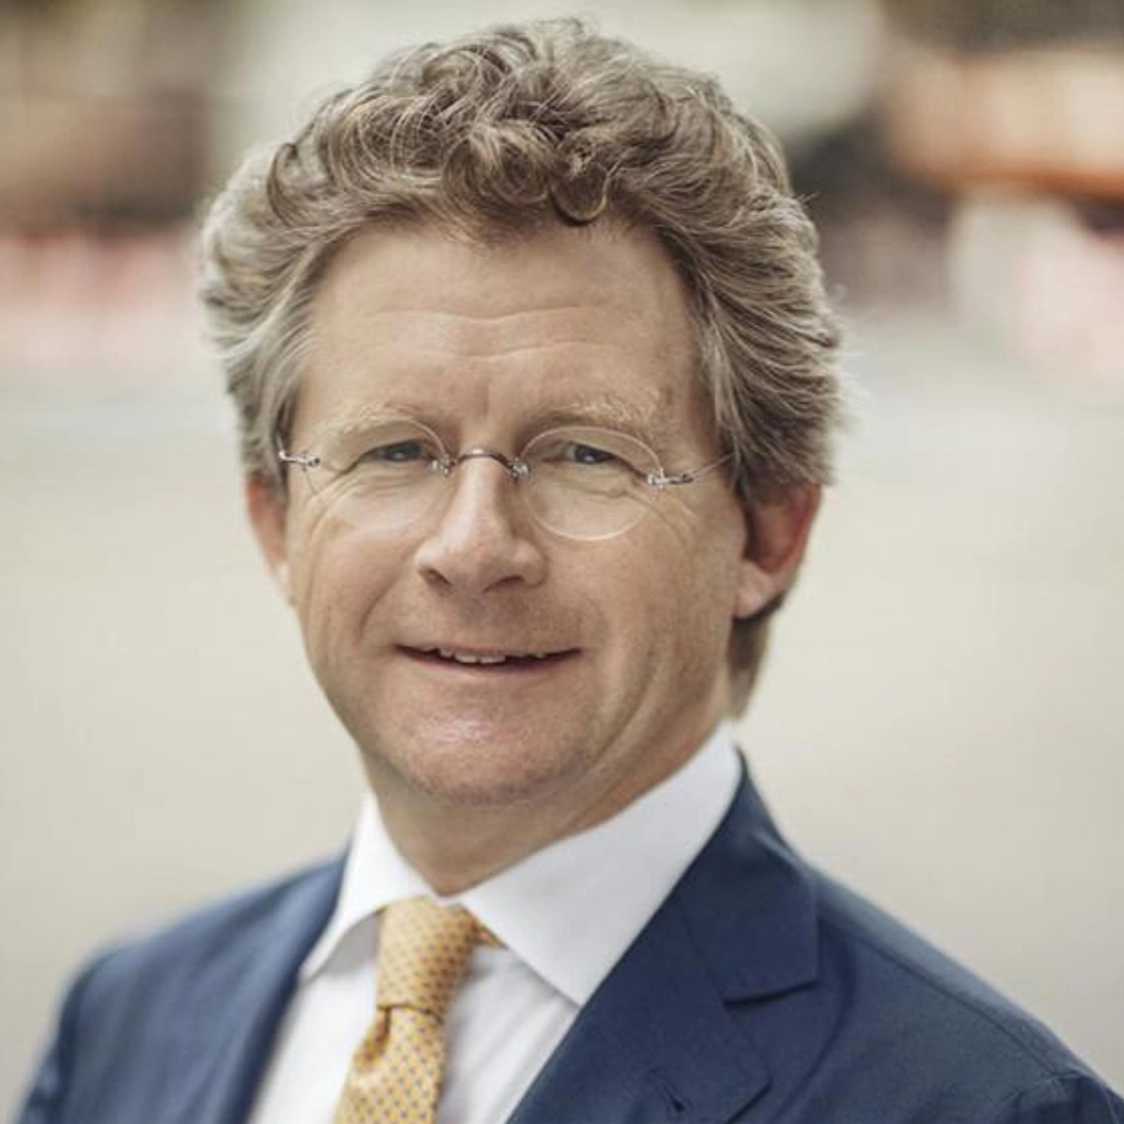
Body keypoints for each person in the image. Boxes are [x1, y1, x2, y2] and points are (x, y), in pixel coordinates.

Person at [18, 19, 1123, 1124]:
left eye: (586, 454)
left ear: (767, 532)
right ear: (276, 520)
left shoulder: (984, 1106)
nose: (472, 547)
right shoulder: (126, 1025)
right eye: (393, 451)